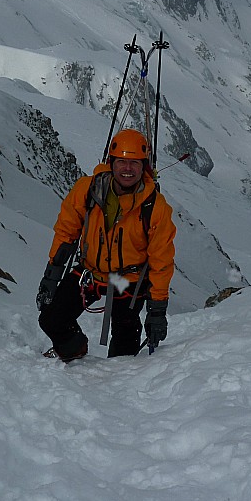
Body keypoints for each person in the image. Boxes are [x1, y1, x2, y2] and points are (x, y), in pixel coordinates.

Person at [37, 128, 177, 362]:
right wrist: (52, 276)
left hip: (127, 281)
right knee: (51, 320)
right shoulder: (87, 190)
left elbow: (161, 260)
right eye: (122, 161)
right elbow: (66, 232)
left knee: (124, 347)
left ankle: (113, 385)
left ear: (144, 167)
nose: (128, 169)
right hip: (90, 273)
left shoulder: (155, 207)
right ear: (111, 163)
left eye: (134, 163)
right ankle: (76, 350)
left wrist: (157, 310)